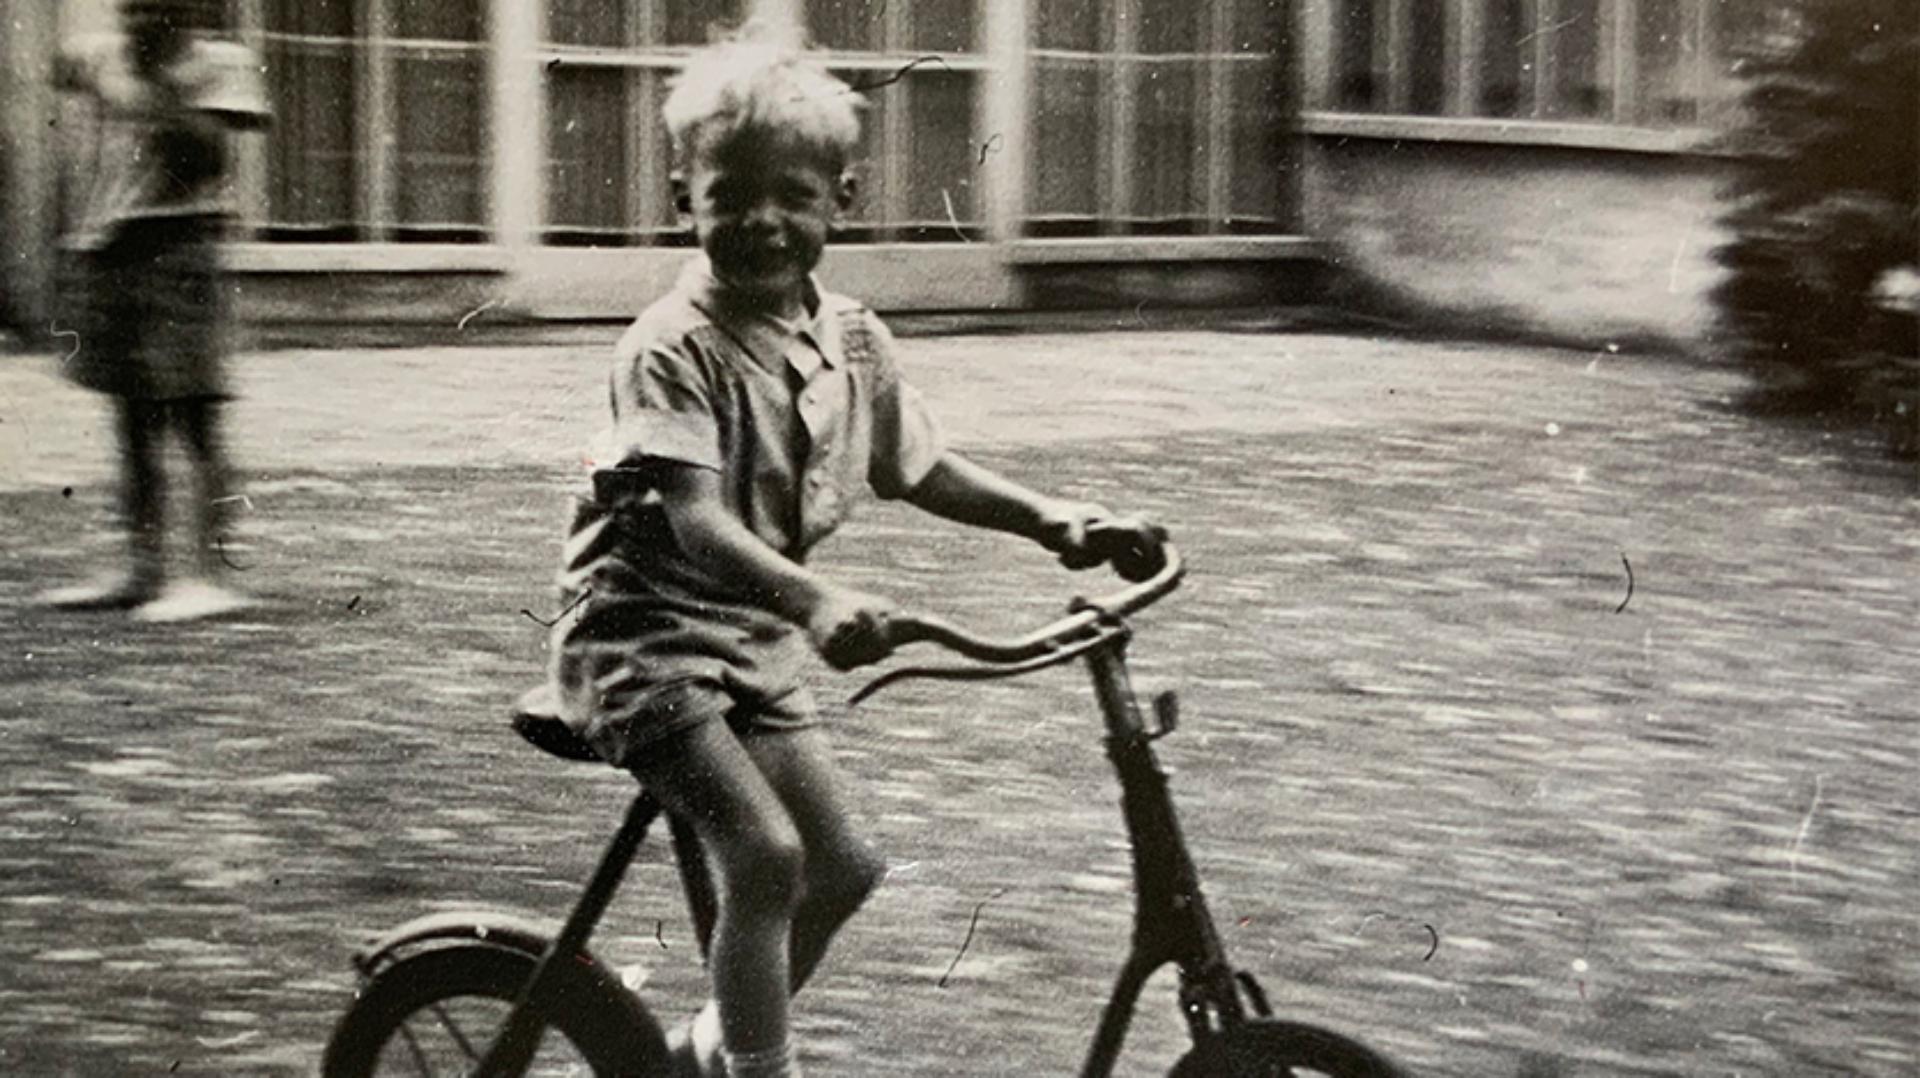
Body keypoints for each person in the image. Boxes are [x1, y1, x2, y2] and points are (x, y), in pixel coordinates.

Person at [543, 24, 1166, 1078]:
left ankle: (709, 1048)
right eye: (729, 192)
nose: (761, 220)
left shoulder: (856, 336)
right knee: (767, 854)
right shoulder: (668, 346)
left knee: (845, 864)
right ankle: (759, 1069)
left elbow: (920, 465)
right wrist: (818, 598)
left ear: (843, 196)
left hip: (749, 639)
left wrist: (1056, 518)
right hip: (644, 642)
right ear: (682, 197)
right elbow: (696, 518)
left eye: (793, 193)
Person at [36, 0, 270, 622]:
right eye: (132, 8)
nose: (139, 20)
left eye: (157, 10)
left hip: (180, 246)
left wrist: (151, 87)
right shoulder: (106, 52)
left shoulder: (220, 64)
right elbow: (58, 69)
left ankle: (209, 576)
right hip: (112, 249)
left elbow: (208, 156)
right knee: (130, 415)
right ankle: (143, 567)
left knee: (194, 416)